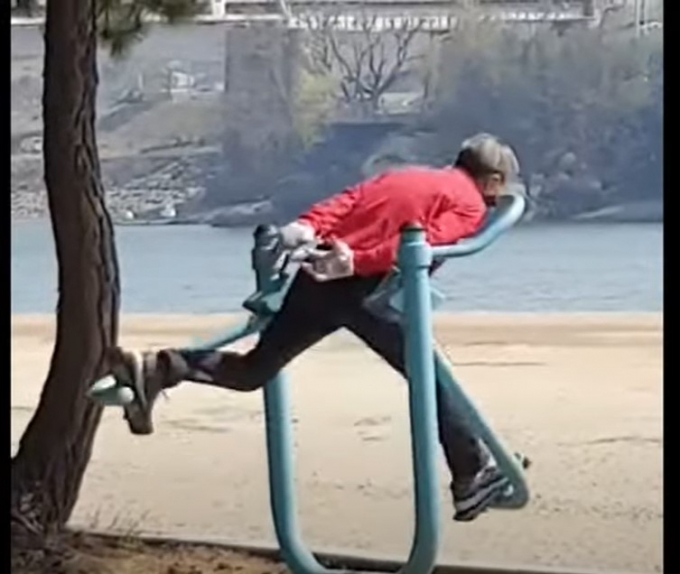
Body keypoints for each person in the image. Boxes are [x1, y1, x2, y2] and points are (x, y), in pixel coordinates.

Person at [104, 132, 521, 522]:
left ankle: (162, 366)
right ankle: (470, 477)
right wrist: (357, 262)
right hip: (364, 287)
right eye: (497, 192)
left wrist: (306, 226)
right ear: (493, 180)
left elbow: (349, 200)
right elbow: (422, 244)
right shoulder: (468, 202)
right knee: (431, 377)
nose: (493, 202)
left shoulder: (407, 175)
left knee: (255, 369)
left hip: (318, 271)